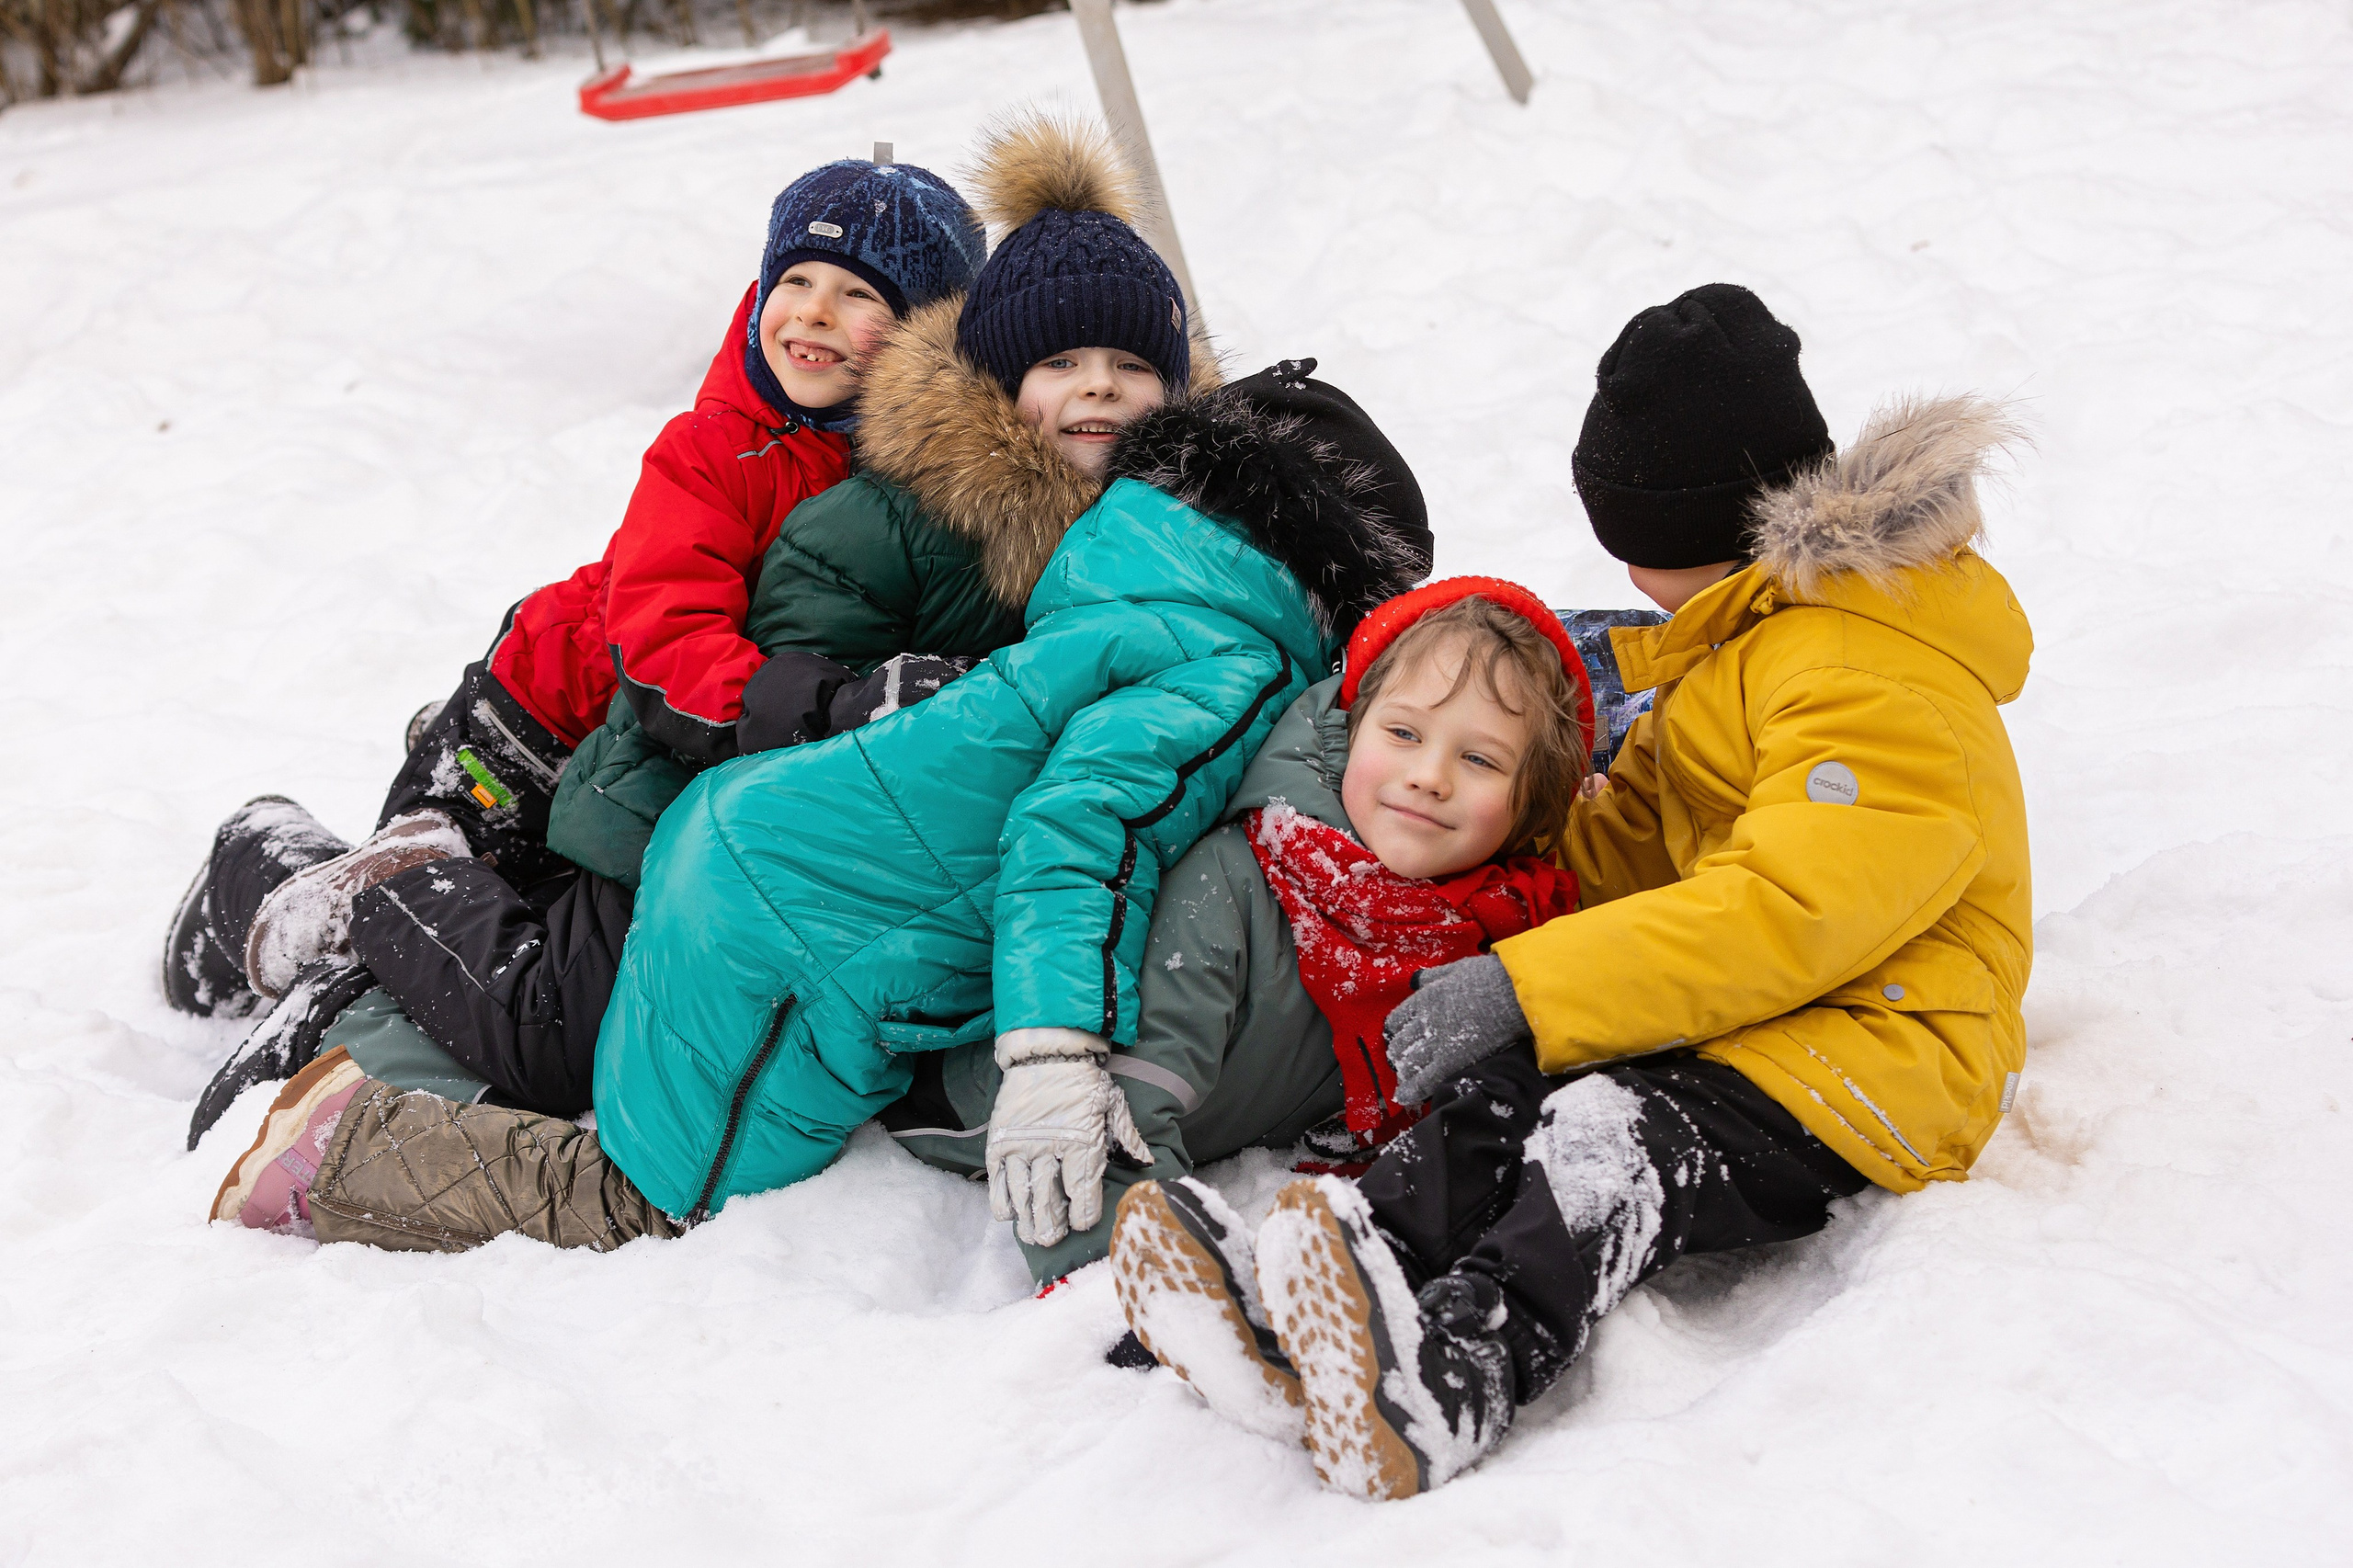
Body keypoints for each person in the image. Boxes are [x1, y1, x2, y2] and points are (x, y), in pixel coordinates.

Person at [205, 254, 1431, 1246]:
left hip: (758, 838)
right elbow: (1082, 824)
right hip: (676, 814)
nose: (1097, 392)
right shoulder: (1182, 632)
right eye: (1064, 363)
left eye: (1133, 370)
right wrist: (1056, 1055)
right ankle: (339, 1126)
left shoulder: (1116, 561)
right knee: (640, 1170)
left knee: (584, 1037)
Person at [1110, 283, 2033, 1499]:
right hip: (1758, 1023)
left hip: (1877, 1055)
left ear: (1678, 526)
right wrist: (1481, 881)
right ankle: (1318, 1289)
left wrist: (1525, 980)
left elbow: (1787, 911)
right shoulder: (1744, 646)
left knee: (1606, 1138)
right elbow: (1629, 849)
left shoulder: (1874, 673)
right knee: (1511, 1086)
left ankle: (1455, 1370)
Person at [162, 153, 986, 1147]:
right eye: (794, 283)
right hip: (529, 728)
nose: (811, 313)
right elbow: (665, 646)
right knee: (440, 952)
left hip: (623, 756)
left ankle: (363, 891)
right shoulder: (715, 449)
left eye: (858, 294)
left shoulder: (892, 472)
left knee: (486, 957)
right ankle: (265, 861)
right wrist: (821, 702)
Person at [892, 578, 1592, 1290]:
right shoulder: (1238, 882)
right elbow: (1111, 1111)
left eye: (1480, 760)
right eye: (1403, 733)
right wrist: (1143, 1296)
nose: (1429, 776)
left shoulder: (1498, 930)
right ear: (1348, 728)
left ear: (1531, 800)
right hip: (1004, 1098)